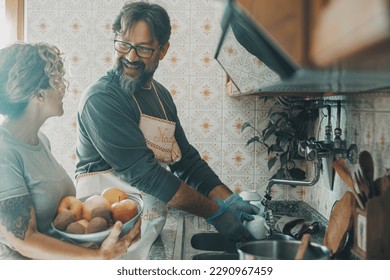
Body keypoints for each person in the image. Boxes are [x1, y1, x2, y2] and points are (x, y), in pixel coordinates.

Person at [75, 1, 259, 259]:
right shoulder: (102, 99)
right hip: (104, 240)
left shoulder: (160, 96)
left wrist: (229, 200)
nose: (131, 57)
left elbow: (187, 162)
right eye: (123, 44)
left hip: (145, 230)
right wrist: (215, 212)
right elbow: (146, 176)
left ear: (163, 50)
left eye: (143, 49)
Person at [0, 42, 141, 260]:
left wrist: (110, 223)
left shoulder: (41, 142)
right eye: (57, 81)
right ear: (38, 94)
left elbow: (57, 220)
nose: (64, 89)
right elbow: (24, 240)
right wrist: (97, 257)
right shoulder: (4, 151)